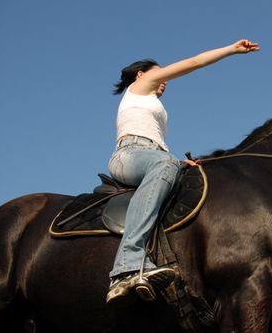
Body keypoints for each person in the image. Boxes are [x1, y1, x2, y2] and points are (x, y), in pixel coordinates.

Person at [106, 39, 260, 306]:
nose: (164, 80)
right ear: (142, 74)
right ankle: (128, 264)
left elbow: (155, 148)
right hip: (128, 155)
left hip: (154, 156)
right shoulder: (140, 86)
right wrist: (231, 50)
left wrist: (177, 163)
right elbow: (194, 62)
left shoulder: (150, 103)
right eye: (159, 73)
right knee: (165, 164)